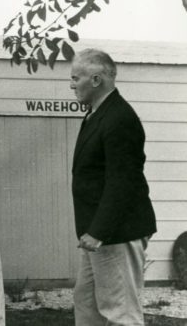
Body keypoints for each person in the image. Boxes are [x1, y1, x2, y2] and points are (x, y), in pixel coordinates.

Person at [70, 48, 157, 325]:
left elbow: (123, 181)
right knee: (87, 305)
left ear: (96, 80)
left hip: (116, 233)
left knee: (121, 313)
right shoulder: (97, 114)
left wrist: (98, 232)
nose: (71, 84)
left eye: (76, 78)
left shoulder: (119, 118)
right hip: (99, 234)